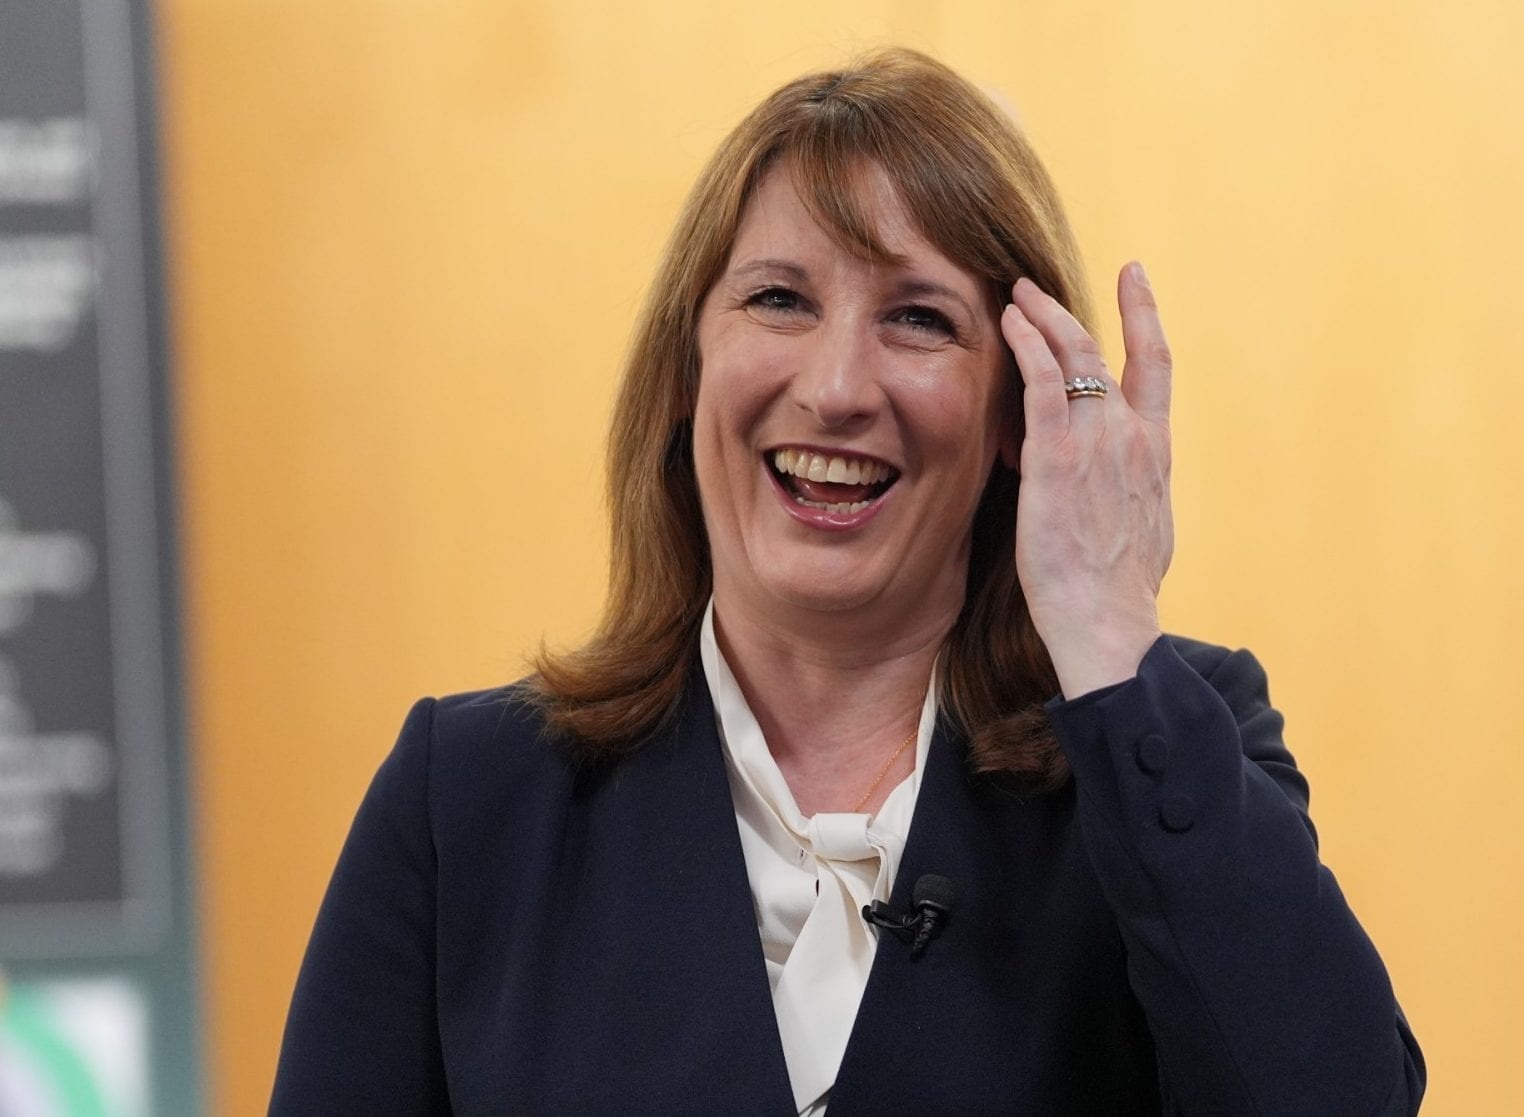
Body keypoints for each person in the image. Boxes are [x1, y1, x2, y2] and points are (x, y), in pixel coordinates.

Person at [271, 48, 1425, 1115]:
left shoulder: (1168, 751)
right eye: (779, 299)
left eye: (918, 319)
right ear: (687, 370)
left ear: (1019, 412)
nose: (834, 388)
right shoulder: (466, 800)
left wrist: (1108, 636)